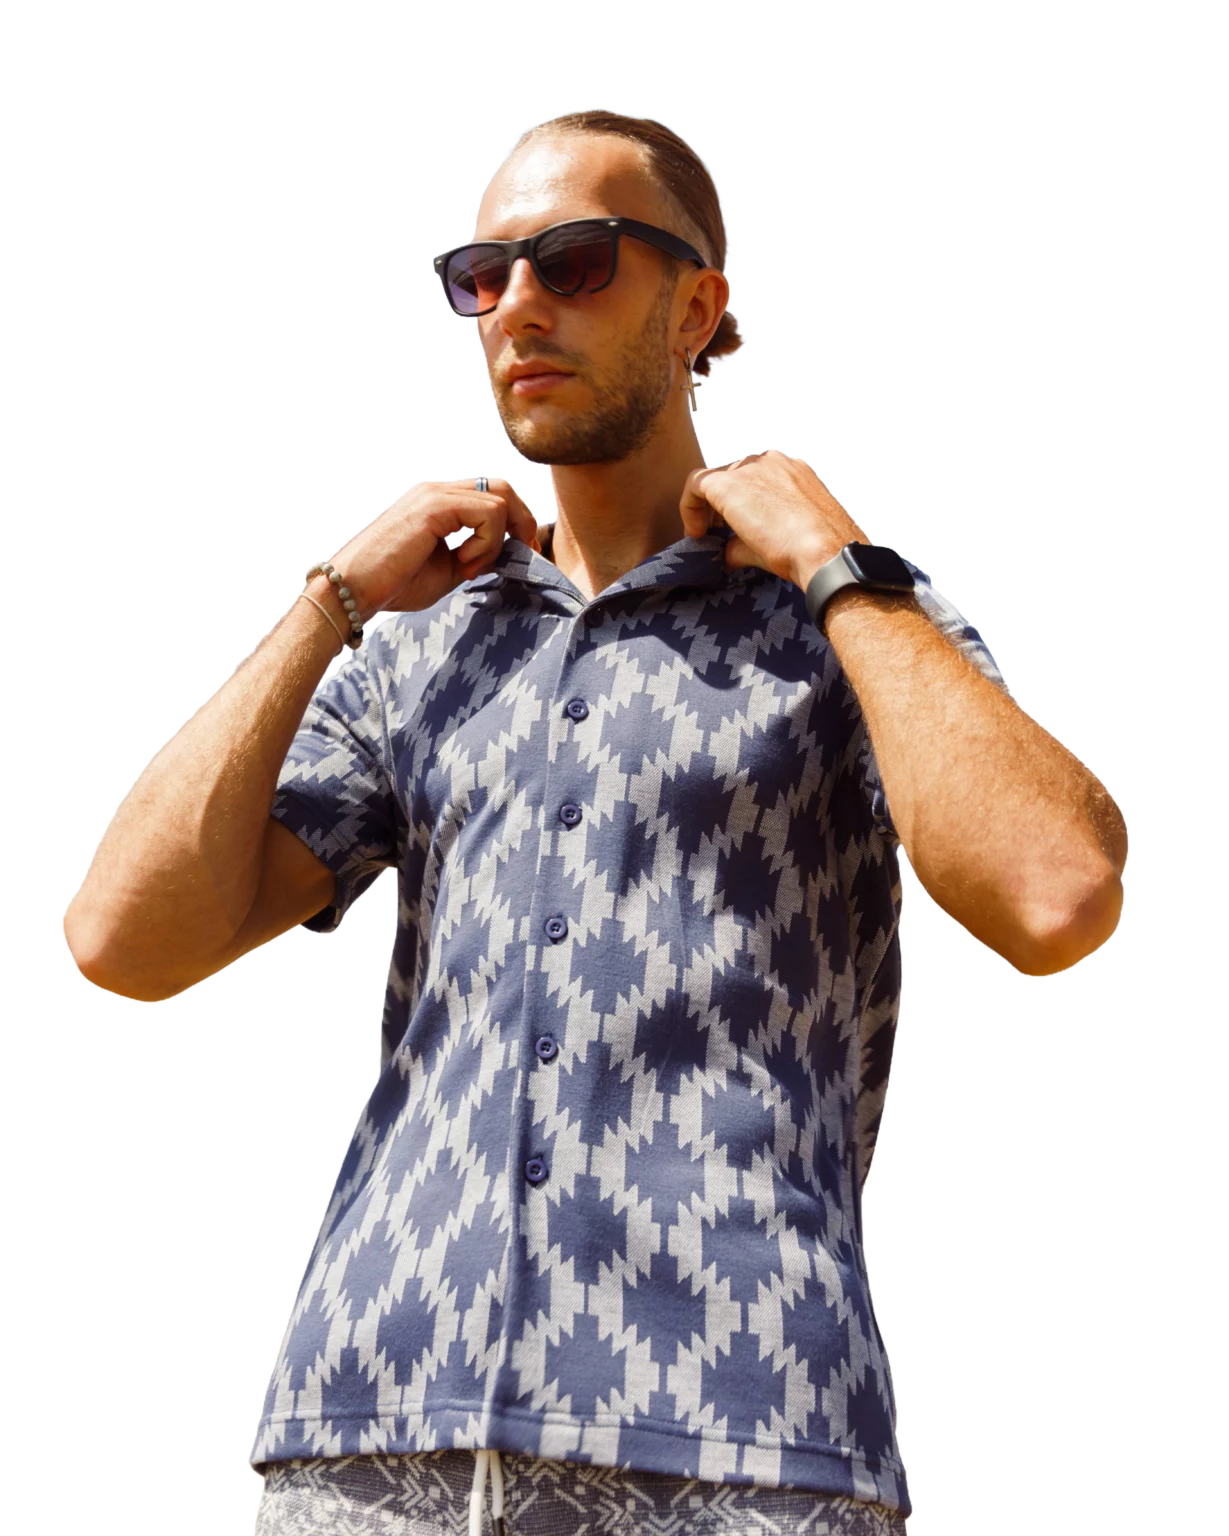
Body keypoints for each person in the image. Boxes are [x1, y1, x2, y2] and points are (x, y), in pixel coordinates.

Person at [63, 110, 1128, 1535]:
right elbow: (123, 940)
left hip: (743, 1447)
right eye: (481, 275)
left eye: (572, 261)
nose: (516, 307)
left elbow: (1058, 899)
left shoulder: (850, 622)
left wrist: (834, 561)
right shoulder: (425, 641)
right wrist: (332, 607)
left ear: (696, 307)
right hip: (375, 1443)